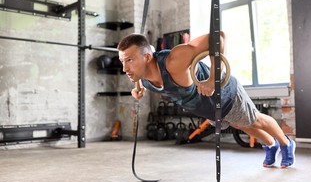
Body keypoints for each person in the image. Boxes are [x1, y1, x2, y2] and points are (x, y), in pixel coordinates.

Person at [117, 32, 295, 168]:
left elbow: (218, 36)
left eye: (130, 60)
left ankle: (286, 144)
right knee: (242, 124)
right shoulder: (141, 74)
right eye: (122, 61)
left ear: (147, 57)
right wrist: (138, 89)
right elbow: (141, 80)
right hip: (208, 108)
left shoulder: (174, 62)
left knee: (255, 119)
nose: (125, 68)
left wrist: (212, 79)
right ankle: (271, 145)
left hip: (224, 94)